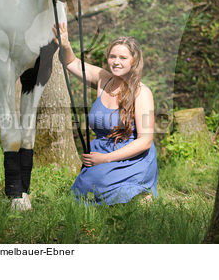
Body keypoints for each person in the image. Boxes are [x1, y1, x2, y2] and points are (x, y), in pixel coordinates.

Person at [53, 23, 158, 205]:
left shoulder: (142, 93)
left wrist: (106, 158)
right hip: (101, 152)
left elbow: (145, 140)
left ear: (134, 61)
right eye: (112, 56)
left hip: (130, 157)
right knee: (85, 188)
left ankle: (140, 194)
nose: (116, 62)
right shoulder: (103, 78)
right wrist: (65, 45)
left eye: (123, 58)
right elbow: (71, 63)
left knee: (99, 183)